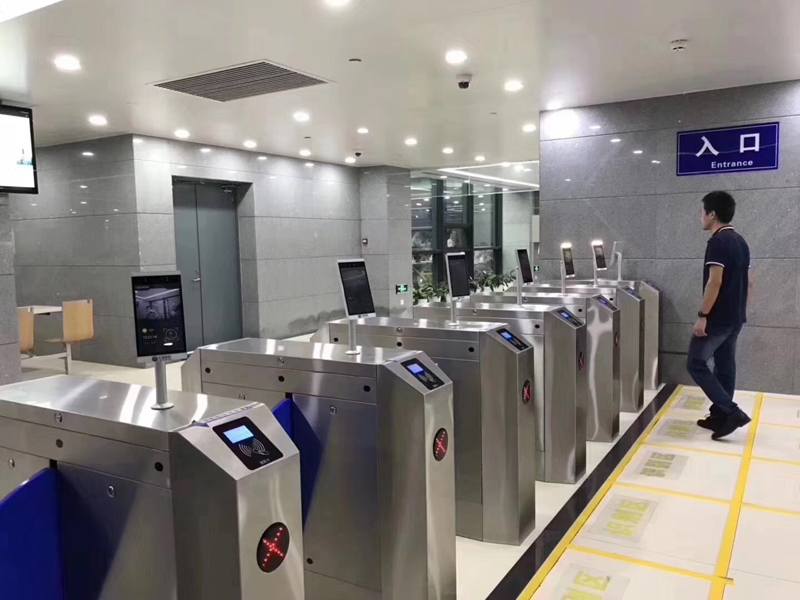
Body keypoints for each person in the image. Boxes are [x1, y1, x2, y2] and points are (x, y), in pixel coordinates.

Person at [686, 191, 753, 440]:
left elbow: (714, 282)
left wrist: (703, 314)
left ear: (712, 214)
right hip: (735, 316)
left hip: (718, 318)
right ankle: (720, 416)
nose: (700, 216)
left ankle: (732, 412)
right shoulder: (740, 241)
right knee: (725, 366)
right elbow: (749, 280)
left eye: (702, 211)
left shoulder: (718, 242)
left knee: (695, 362)